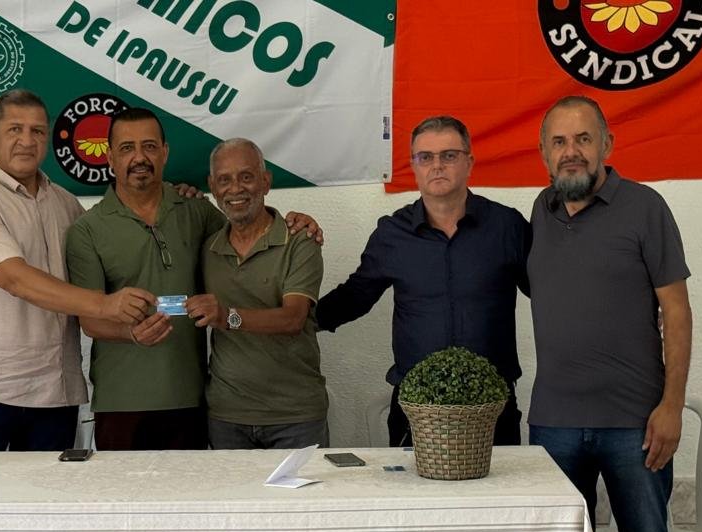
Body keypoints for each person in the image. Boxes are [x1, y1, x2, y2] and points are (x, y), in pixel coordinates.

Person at [528, 96, 692, 532]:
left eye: (583, 139)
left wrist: (671, 405)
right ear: (544, 153)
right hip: (554, 422)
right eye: (559, 141)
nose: (571, 151)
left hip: (635, 423)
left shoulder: (646, 208)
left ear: (607, 145)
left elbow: (677, 312)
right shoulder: (540, 212)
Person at [66, 108, 320, 451]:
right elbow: (90, 321)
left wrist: (298, 223)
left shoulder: (197, 211)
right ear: (110, 158)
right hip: (122, 398)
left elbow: (248, 229)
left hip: (193, 397)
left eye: (149, 146)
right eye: (127, 148)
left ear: (165, 152)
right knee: (126, 488)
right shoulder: (86, 229)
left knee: (197, 487)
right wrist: (131, 333)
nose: (139, 157)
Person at [0, 90, 155, 452]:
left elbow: (100, 269)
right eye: (15, 129)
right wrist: (106, 305)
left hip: (55, 393)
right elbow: (13, 278)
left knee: (50, 491)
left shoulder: (66, 204)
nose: (27, 140)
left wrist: (173, 198)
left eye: (37, 131)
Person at [317, 116, 531, 446]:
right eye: (425, 157)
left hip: (492, 402)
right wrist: (296, 320)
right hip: (415, 405)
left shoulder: (507, 226)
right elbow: (355, 296)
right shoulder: (393, 233)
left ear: (469, 162)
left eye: (449, 155)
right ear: (414, 166)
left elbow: (548, 291)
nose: (437, 165)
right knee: (414, 483)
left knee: (495, 483)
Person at [184, 139, 328, 449]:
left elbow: (293, 319)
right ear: (212, 186)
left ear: (266, 181)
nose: (235, 188)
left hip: (295, 415)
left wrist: (227, 316)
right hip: (226, 415)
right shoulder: (207, 248)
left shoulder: (299, 240)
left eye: (246, 177)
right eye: (224, 180)